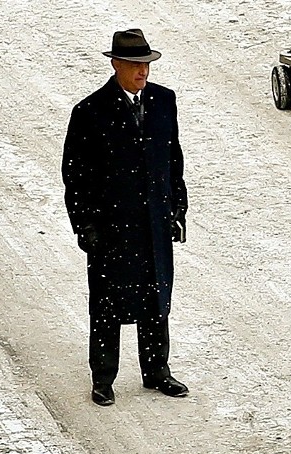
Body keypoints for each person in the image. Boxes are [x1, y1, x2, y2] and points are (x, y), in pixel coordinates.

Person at [62, 29, 189, 406]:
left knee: (155, 298)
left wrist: (177, 210)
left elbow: (173, 161)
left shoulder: (165, 102)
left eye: (146, 65)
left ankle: (156, 371)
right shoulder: (90, 112)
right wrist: (85, 226)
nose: (142, 73)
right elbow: (76, 175)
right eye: (135, 65)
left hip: (153, 223)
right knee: (107, 305)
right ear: (116, 64)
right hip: (112, 229)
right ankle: (103, 378)